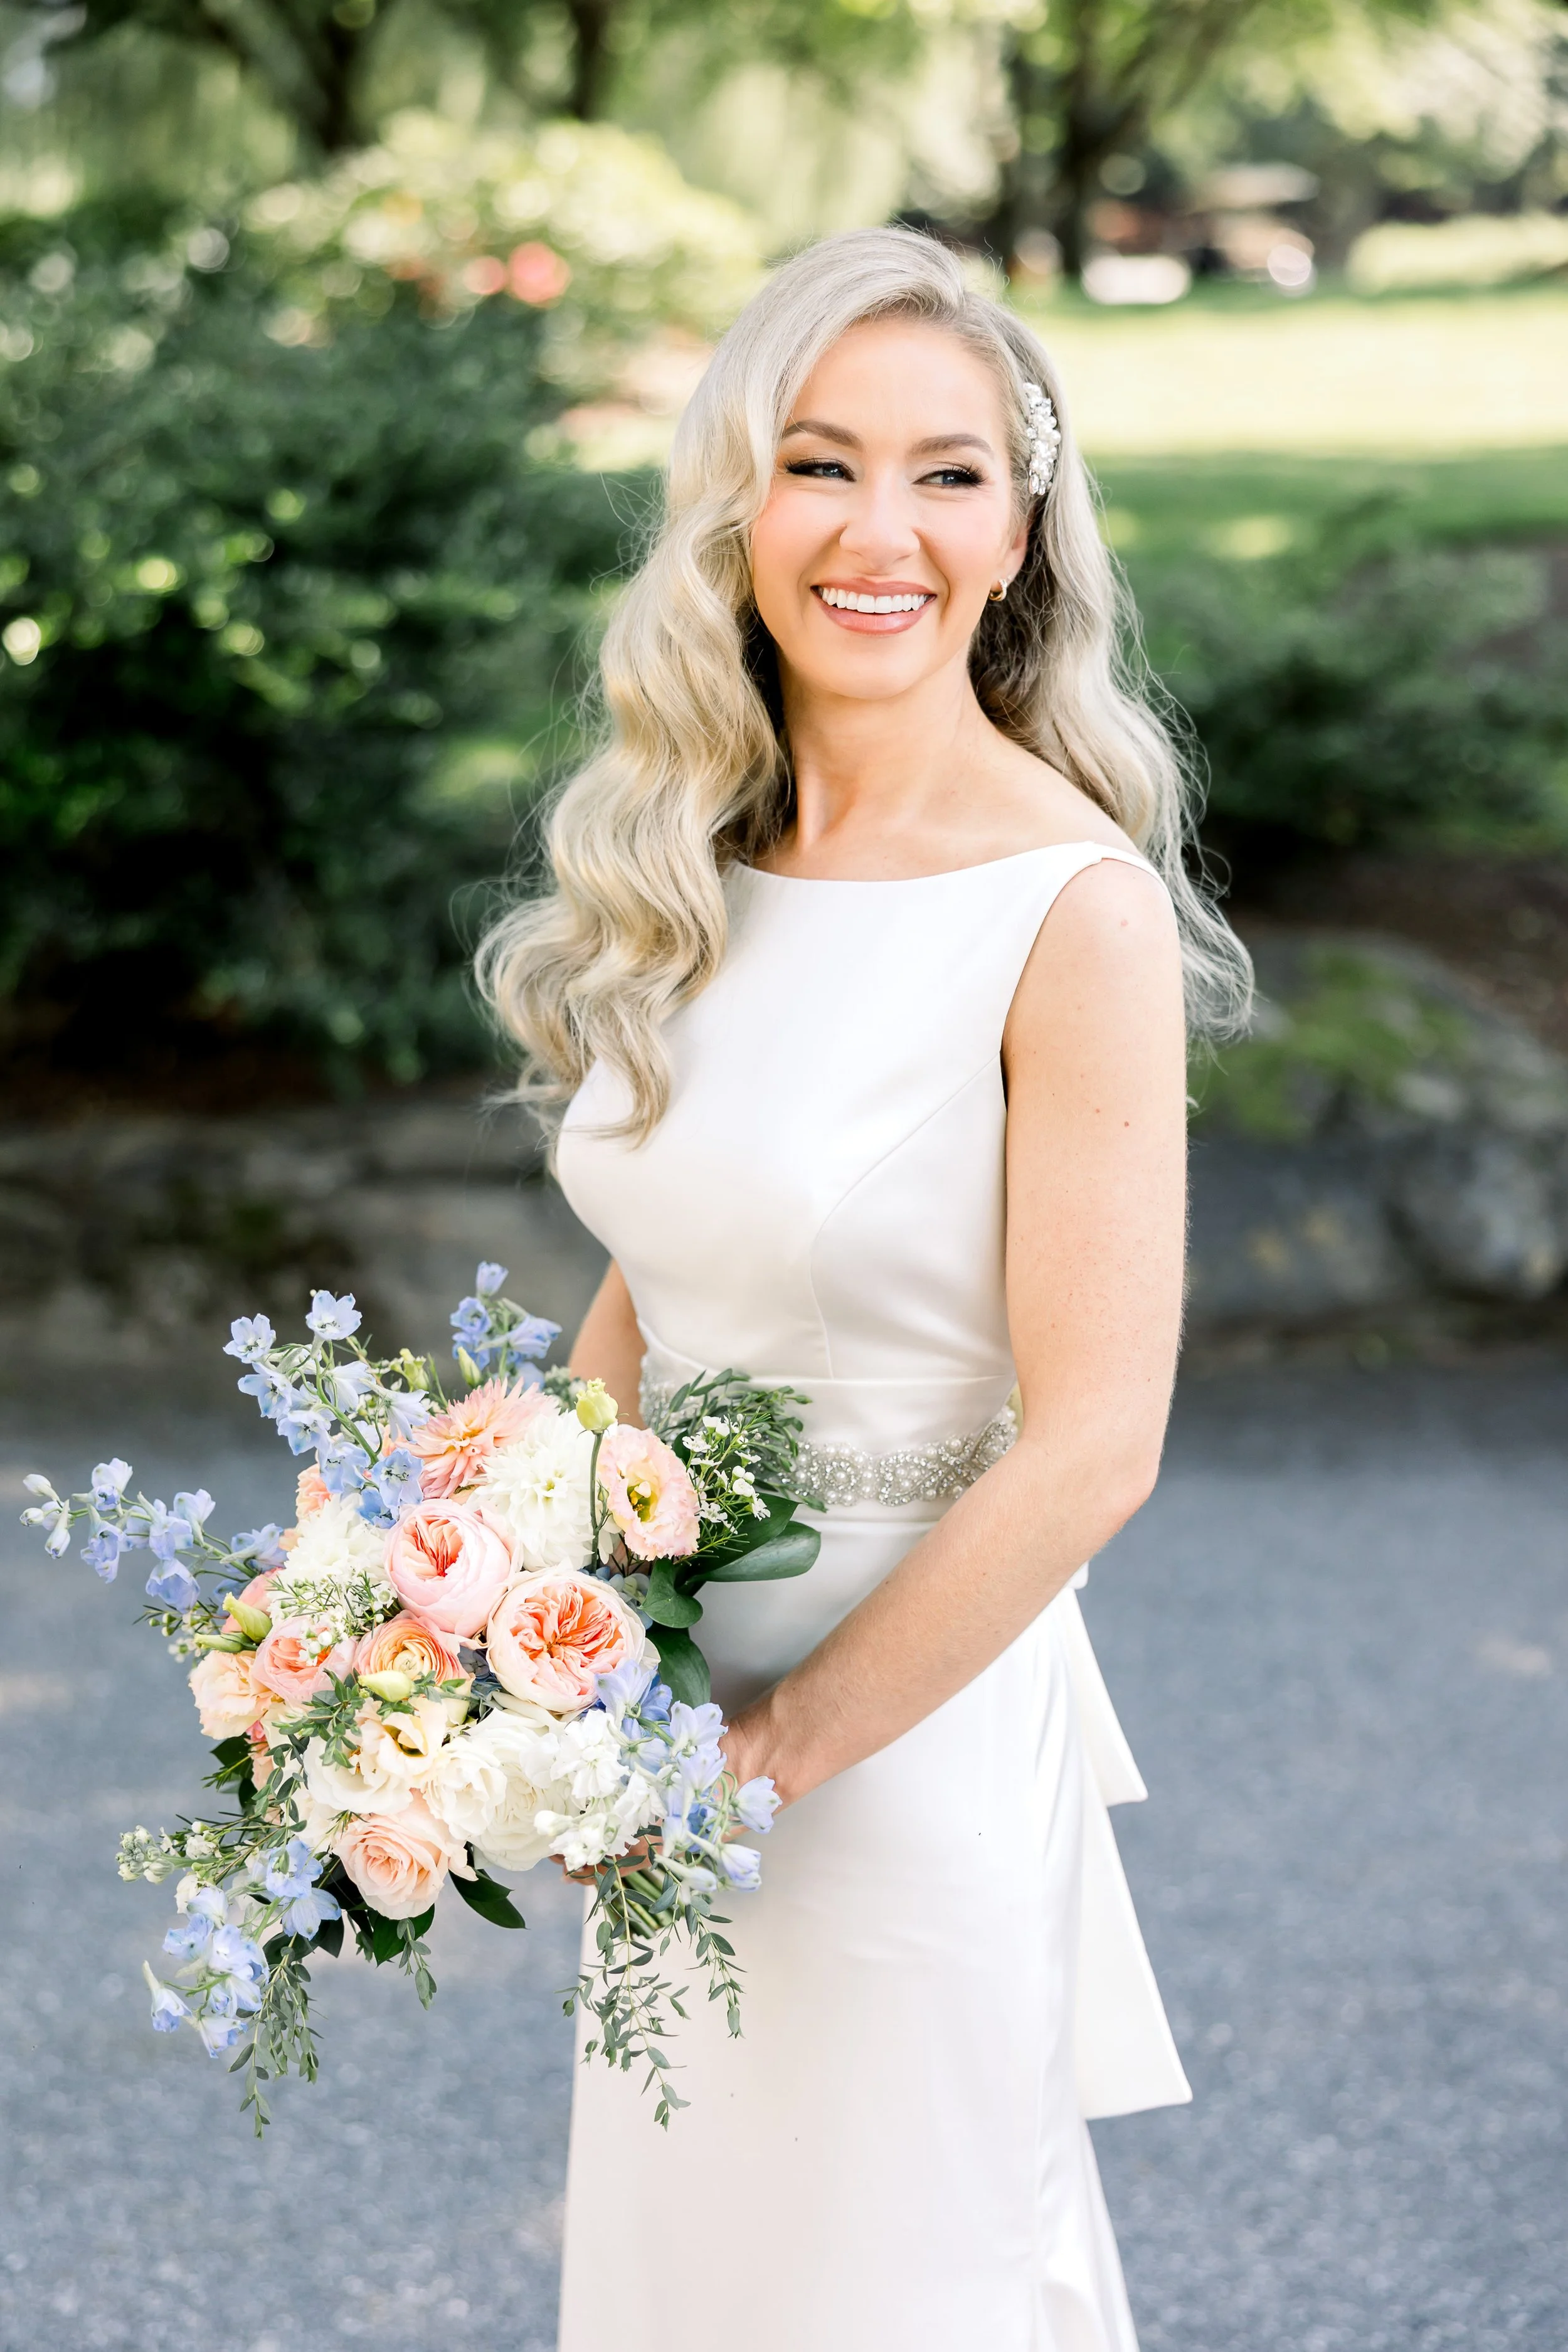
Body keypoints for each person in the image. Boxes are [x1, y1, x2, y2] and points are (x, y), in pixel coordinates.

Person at [477, 225, 1251, 2352]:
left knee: (900, 2287)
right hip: (662, 1726)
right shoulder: (691, 869)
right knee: (696, 2287)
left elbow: (1094, 1441)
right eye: (821, 465)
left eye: (948, 473)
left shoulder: (1064, 908)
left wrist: (777, 1750)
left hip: (895, 1738)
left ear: (1021, 529)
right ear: (739, 506)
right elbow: (654, 1287)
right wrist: (473, 1601)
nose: (879, 531)